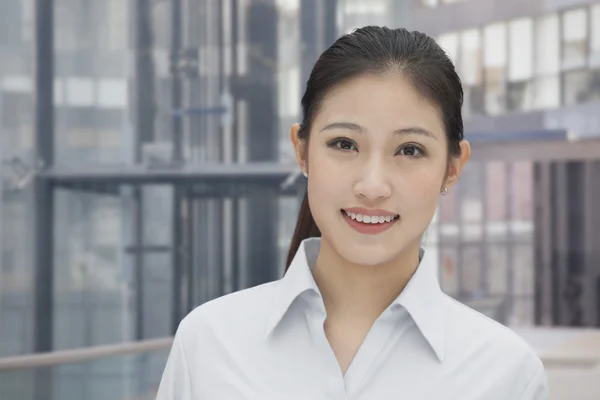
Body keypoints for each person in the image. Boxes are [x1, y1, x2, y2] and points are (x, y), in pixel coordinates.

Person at [156, 26, 548, 399]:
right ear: (302, 150)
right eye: (344, 144)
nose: (373, 186)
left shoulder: (505, 372)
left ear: (452, 167)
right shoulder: (208, 343)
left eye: (410, 150)